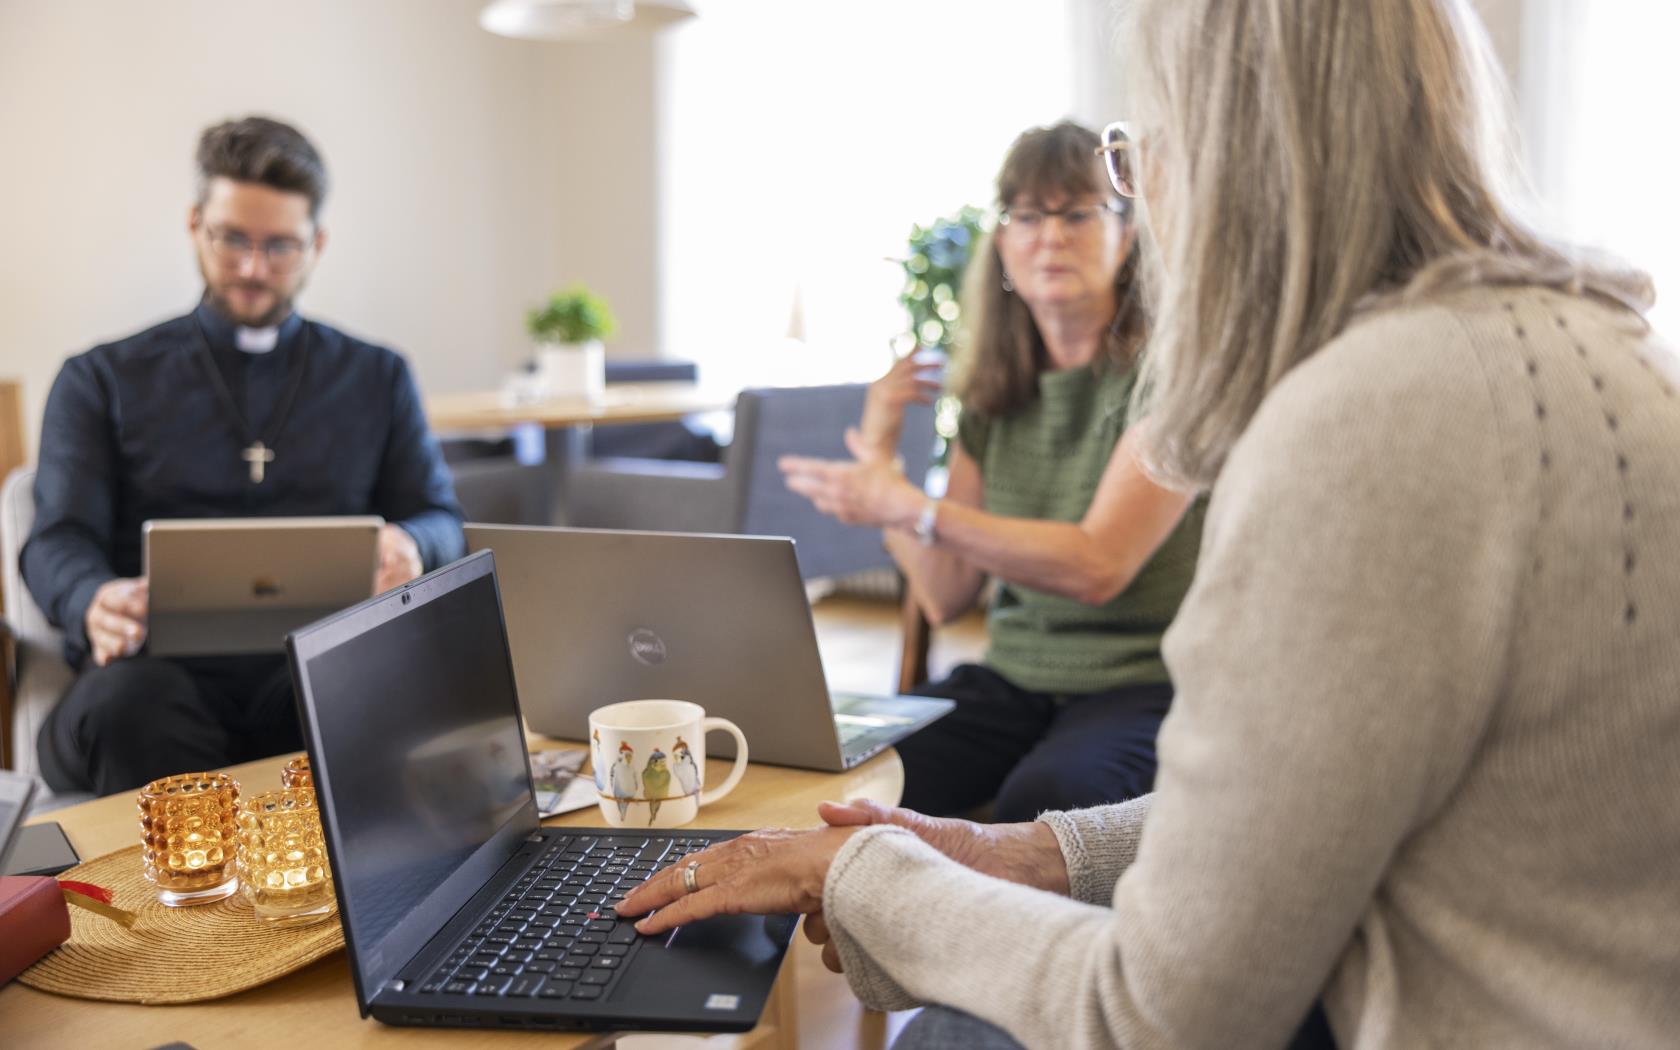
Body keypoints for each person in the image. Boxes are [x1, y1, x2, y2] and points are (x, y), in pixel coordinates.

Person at [619, 0, 1680, 1046]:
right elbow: (1298, 816)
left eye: (1135, 154)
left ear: (1230, 149)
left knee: (953, 1030)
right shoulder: (1617, 355)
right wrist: (1024, 855)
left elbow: (1164, 1010)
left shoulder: (1362, 416)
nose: (1140, 186)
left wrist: (866, 876)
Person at [26, 116, 465, 797]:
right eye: (232, 238)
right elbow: (56, 539)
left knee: (364, 700)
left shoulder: (377, 377)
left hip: (311, 669)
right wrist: (91, 598)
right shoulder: (100, 378)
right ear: (195, 224)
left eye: (280, 246)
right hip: (149, 678)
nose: (253, 268)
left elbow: (439, 516)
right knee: (130, 711)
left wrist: (413, 543)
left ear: (317, 244)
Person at [780, 121, 1204, 822]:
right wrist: (882, 466)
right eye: (1027, 215)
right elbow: (946, 594)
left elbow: (1098, 566)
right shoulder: (993, 396)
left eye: (1077, 213)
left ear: (1127, 237)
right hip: (1011, 683)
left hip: (1146, 684)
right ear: (1003, 245)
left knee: (1048, 801)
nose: (1050, 235)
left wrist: (913, 509)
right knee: (852, 776)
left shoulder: (1170, 380)